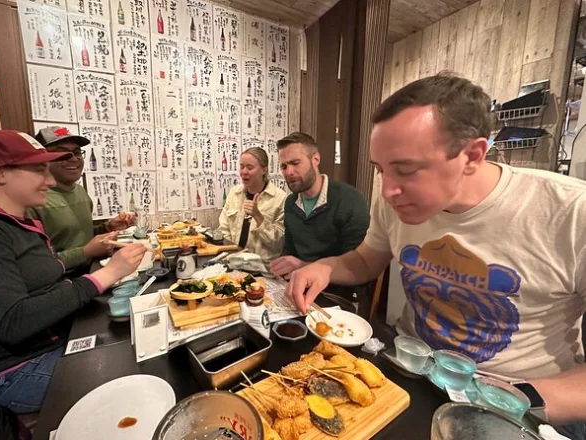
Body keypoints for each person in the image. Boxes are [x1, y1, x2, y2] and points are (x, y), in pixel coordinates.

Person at [284, 74, 586, 425]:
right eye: (380, 170)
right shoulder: (395, 202)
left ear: (472, 155)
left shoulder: (571, 212)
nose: (387, 191)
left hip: (522, 405)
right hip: (411, 371)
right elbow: (365, 260)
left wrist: (510, 399)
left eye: (406, 170)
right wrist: (324, 267)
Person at [0, 130, 146, 414]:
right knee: (137, 373)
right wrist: (105, 275)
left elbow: (49, 276)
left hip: (53, 341)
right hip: (15, 371)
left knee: (139, 340)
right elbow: (13, 321)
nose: (50, 181)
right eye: (39, 169)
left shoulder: (15, 222)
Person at [28, 126, 135, 272]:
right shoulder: (32, 199)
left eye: (77, 152)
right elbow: (37, 265)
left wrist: (107, 227)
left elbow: (79, 236)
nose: (73, 159)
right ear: (42, 158)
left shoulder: (79, 191)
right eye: (62, 153)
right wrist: (86, 252)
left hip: (92, 271)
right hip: (62, 280)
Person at [269, 132, 370, 286]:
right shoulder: (291, 202)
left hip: (337, 292)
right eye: (284, 166)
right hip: (297, 285)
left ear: (315, 159)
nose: (288, 172)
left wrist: (303, 267)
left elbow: (356, 268)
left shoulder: (349, 201)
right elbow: (289, 249)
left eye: (295, 163)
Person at [218, 147, 286, 261]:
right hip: (233, 260)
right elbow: (223, 229)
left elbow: (278, 244)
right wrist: (231, 253)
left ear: (264, 170)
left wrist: (258, 216)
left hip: (263, 265)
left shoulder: (279, 198)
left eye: (250, 167)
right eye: (242, 167)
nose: (244, 172)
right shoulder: (234, 193)